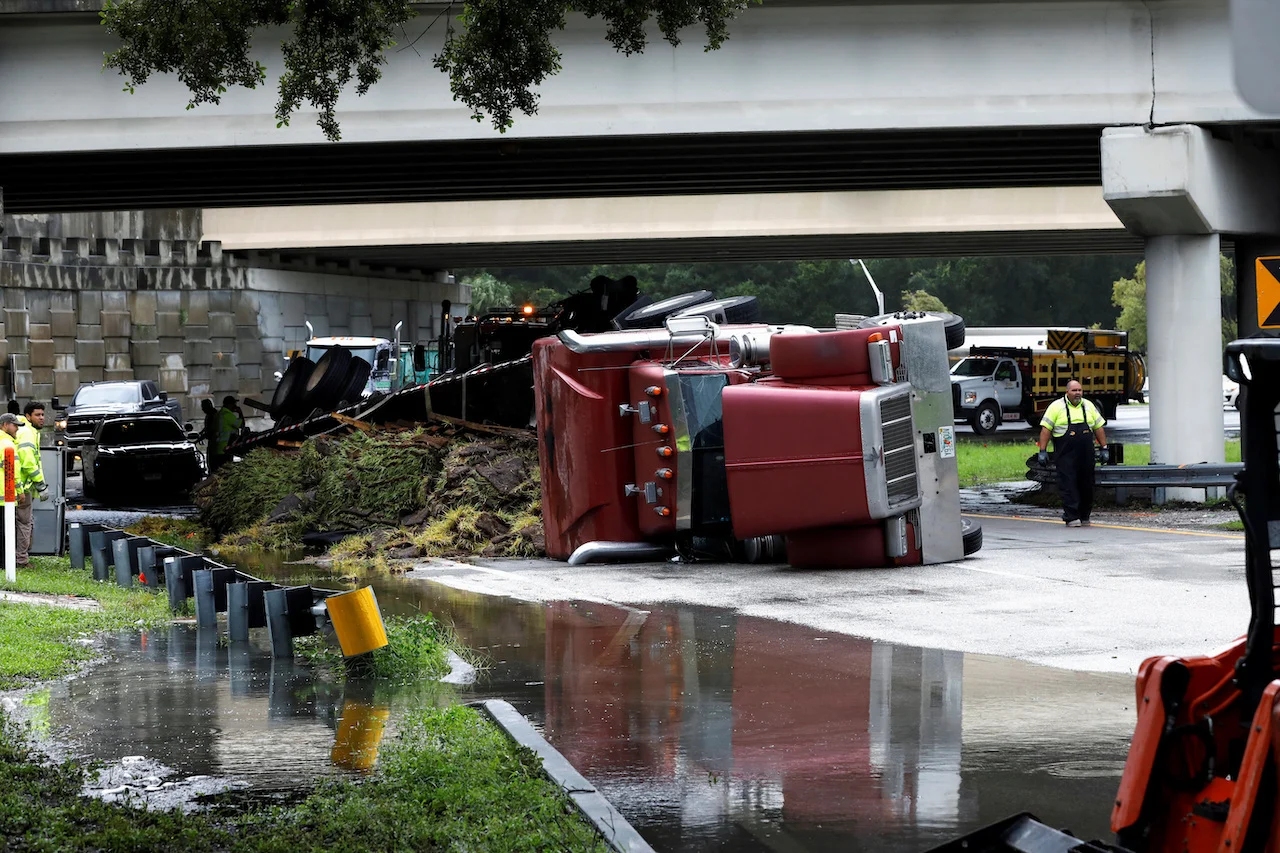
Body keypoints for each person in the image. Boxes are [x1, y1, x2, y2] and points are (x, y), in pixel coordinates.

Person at [1036, 379, 1108, 528]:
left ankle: (1085, 516)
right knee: (1068, 485)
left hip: (1086, 454)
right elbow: (1046, 430)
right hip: (1065, 454)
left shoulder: (1088, 406)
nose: (1078, 393)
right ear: (1067, 392)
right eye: (1074, 390)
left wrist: (1104, 447)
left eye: (1080, 390)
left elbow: (1099, 428)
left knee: (1087, 484)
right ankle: (1071, 516)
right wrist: (1042, 451)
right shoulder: (1056, 407)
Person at [0, 412, 45, 567]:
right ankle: (15, 561)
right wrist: (20, 491)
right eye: (14, 426)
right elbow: (14, 471)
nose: (16, 430)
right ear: (5, 425)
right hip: (7, 495)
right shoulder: (8, 445)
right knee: (18, 525)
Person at [211, 396, 244, 470]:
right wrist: (240, 412)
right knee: (226, 471)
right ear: (229, 404)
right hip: (225, 448)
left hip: (217, 448)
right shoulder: (227, 414)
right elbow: (241, 425)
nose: (235, 406)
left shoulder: (218, 414)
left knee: (219, 471)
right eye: (234, 404)